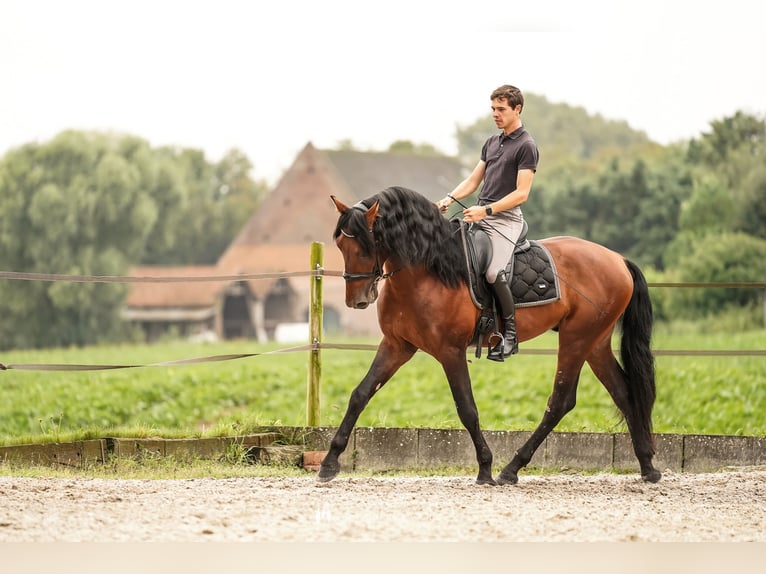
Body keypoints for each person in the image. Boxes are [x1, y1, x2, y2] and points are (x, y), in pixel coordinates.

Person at [437, 84, 539, 361]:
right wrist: (448, 198)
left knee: (493, 273)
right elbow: (472, 182)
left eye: (501, 109)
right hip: (481, 215)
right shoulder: (492, 143)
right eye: (493, 108)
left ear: (517, 109)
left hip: (505, 220)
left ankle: (510, 336)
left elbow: (522, 193)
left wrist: (487, 210)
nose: (495, 114)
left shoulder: (526, 146)